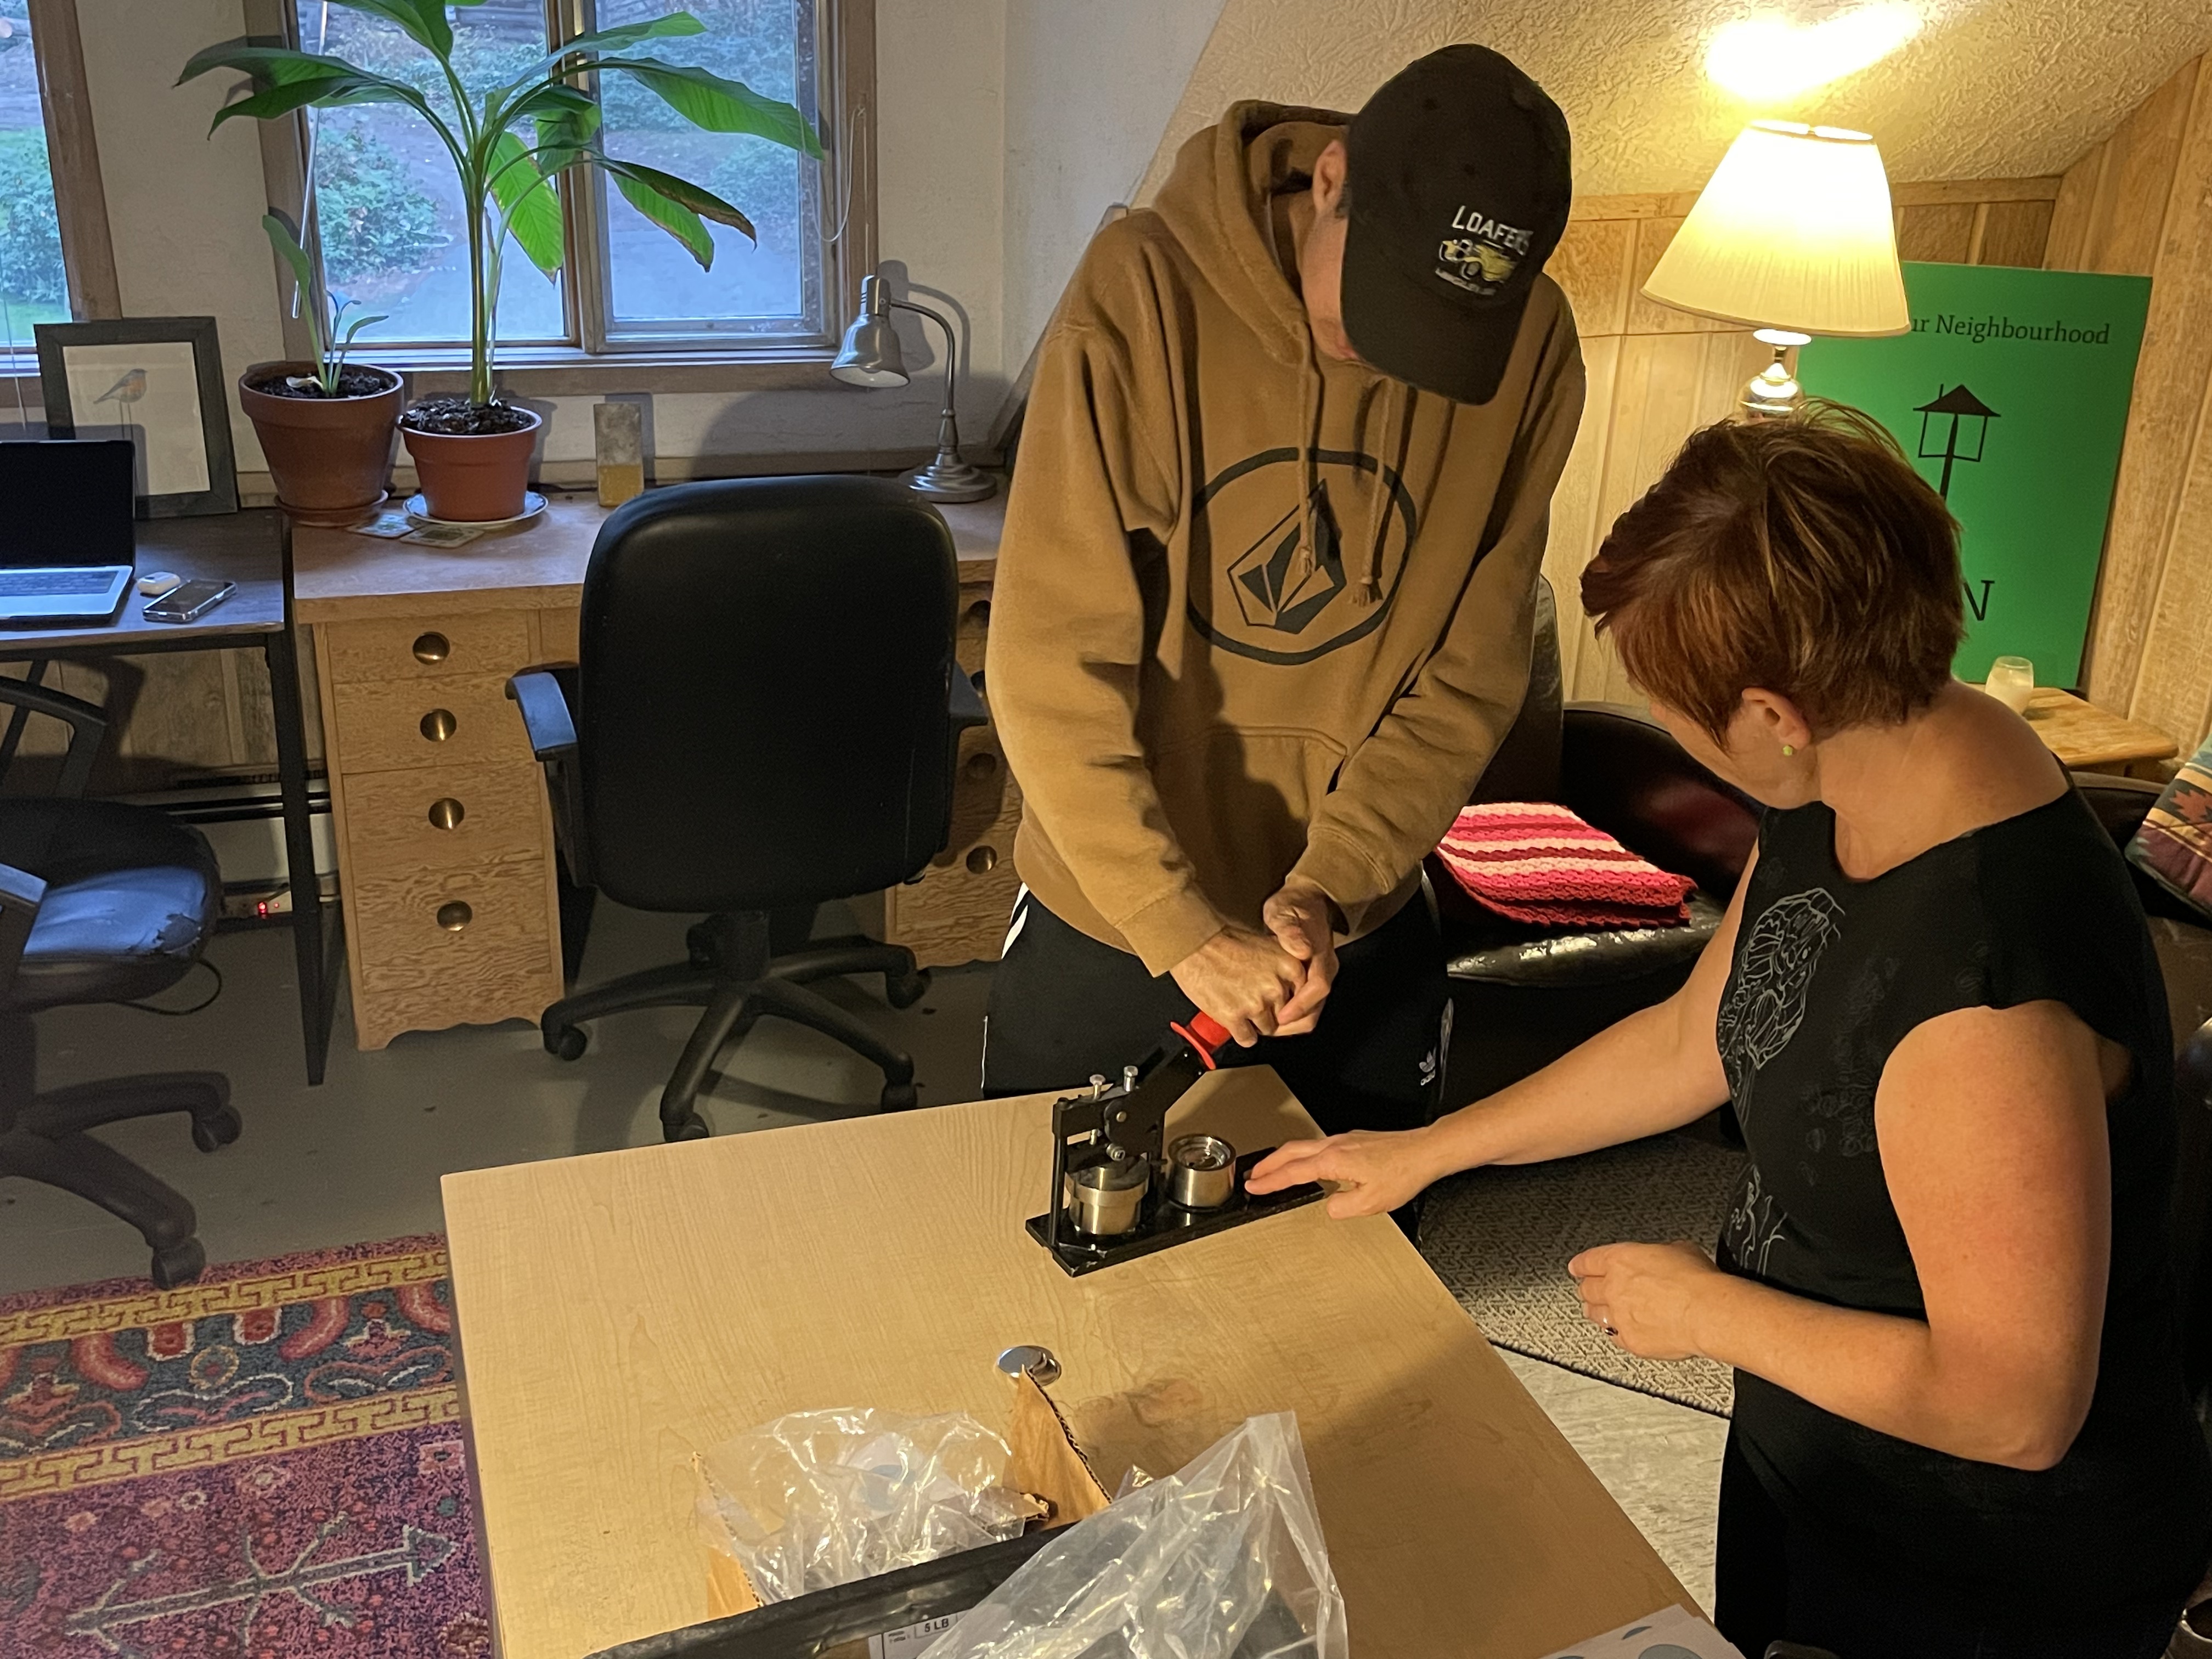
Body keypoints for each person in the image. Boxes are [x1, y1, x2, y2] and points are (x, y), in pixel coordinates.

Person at [1250, 405, 2212, 1657]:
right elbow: (1696, 1035)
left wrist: (1707, 1315)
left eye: (1678, 707)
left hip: (1978, 1571)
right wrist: (1425, 1149)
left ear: (1774, 713)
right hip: (1823, 1464)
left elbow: (2016, 1406)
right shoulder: (1865, 766)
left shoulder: (1986, 993)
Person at [983, 45, 1584, 1136]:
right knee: (1048, 1256)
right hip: (1118, 906)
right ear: (1330, 180)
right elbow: (1047, 661)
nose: (1385, 360)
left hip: (1356, 910)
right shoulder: (1144, 292)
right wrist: (1180, 926)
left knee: (1361, 1272)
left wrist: (1331, 885)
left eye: (1434, 339)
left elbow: (1469, 674)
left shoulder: (1534, 348)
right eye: (1375, 304)